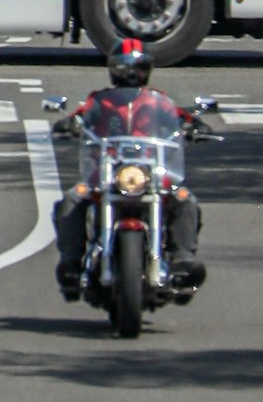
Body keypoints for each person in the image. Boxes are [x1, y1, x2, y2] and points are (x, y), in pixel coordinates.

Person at [52, 38, 205, 297]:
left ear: (149, 69)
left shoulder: (158, 102)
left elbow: (180, 117)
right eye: (124, 68)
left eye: (138, 67)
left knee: (184, 199)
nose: (131, 74)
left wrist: (195, 127)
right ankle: (72, 263)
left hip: (151, 169)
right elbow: (80, 115)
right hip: (109, 169)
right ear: (113, 69)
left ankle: (182, 260)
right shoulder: (99, 101)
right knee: (73, 198)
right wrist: (70, 123)